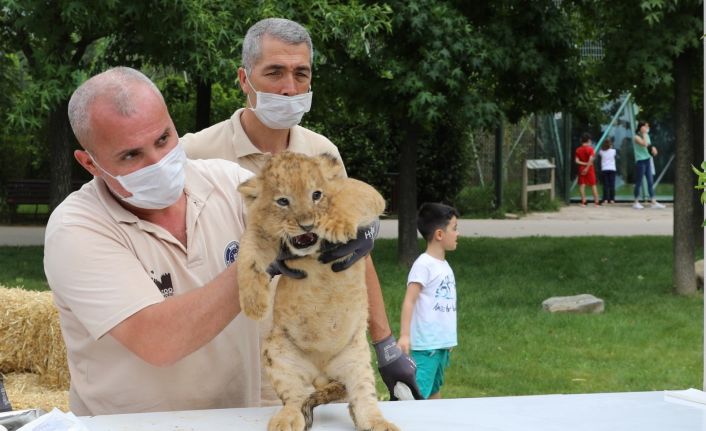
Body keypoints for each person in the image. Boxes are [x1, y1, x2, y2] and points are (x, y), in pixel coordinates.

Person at [180, 17, 421, 401]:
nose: (289, 88)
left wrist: (386, 345)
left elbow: (357, 255)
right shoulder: (193, 155)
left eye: (301, 73)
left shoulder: (323, 155)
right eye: (274, 72)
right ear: (244, 79)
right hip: (229, 372)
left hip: (316, 362)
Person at [44, 67, 267, 416]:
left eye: (164, 139)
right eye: (131, 155)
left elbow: (300, 213)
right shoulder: (75, 229)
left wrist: (336, 228)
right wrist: (260, 262)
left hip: (235, 418)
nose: (159, 162)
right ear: (89, 162)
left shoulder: (226, 182)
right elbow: (160, 341)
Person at [398, 203, 459, 400]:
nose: (458, 234)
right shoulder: (423, 265)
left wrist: (447, 339)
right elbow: (409, 300)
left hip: (440, 347)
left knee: (434, 390)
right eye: (454, 229)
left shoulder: (443, 265)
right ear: (439, 235)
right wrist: (405, 336)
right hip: (426, 349)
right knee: (417, 395)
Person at [632, 121, 665, 209]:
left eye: (647, 126)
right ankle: (636, 202)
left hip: (647, 160)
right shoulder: (636, 137)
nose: (647, 128)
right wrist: (643, 134)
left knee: (650, 181)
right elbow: (644, 144)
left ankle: (653, 202)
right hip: (640, 161)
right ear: (641, 127)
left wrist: (653, 149)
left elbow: (649, 146)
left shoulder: (646, 135)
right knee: (638, 182)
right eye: (645, 126)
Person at [575, 132, 599, 207]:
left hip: (581, 168)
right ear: (588, 140)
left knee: (582, 185)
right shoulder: (590, 149)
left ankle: (583, 202)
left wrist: (584, 165)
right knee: (593, 184)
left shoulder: (578, 150)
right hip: (590, 168)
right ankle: (596, 202)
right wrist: (587, 167)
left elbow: (576, 161)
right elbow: (591, 159)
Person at [598, 137, 617, 204]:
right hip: (612, 169)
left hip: (604, 169)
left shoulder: (601, 152)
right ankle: (612, 199)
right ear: (610, 145)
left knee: (605, 185)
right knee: (612, 184)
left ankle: (605, 199)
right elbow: (614, 154)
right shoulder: (613, 151)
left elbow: (600, 153)